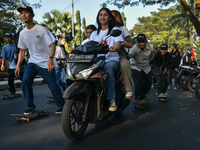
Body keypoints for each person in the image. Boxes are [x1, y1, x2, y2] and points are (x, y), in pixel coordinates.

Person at [15, 6, 64, 115]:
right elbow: (22, 51)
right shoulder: (22, 33)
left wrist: (50, 59)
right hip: (32, 62)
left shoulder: (41, 29)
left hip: (45, 62)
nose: (23, 15)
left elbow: (52, 44)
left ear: (32, 15)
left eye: (26, 12)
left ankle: (61, 105)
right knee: (26, 81)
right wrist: (18, 65)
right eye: (22, 13)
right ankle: (30, 106)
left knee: (52, 85)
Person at [89, 8, 123, 112]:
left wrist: (115, 48)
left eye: (105, 15)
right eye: (100, 15)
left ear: (109, 18)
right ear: (98, 17)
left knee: (108, 69)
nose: (102, 17)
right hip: (97, 60)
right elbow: (89, 45)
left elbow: (118, 43)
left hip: (111, 59)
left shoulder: (115, 30)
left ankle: (111, 100)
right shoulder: (94, 33)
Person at [111, 10, 133, 99]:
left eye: (110, 16)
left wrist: (120, 43)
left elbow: (130, 44)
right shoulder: (104, 29)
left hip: (119, 53)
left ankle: (128, 89)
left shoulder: (123, 29)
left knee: (124, 64)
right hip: (105, 53)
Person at [128, 34, 154, 103]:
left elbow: (152, 57)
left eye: (142, 41)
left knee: (148, 83)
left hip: (146, 66)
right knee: (138, 82)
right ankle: (138, 97)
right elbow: (129, 55)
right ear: (137, 42)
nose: (141, 43)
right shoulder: (134, 48)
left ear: (146, 41)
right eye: (139, 42)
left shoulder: (150, 47)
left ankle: (142, 95)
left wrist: (147, 63)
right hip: (136, 66)